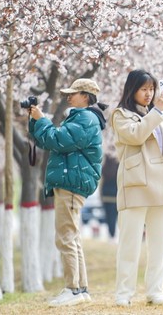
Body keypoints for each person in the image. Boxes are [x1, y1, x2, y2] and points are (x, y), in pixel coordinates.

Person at [28, 78, 106, 307]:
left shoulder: (85, 118)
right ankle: (80, 289)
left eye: (73, 93)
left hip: (72, 182)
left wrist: (41, 120)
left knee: (66, 237)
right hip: (72, 180)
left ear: (86, 96)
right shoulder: (83, 117)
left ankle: (73, 289)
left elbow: (59, 140)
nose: (68, 96)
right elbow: (49, 140)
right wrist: (36, 122)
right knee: (72, 236)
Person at [110, 69, 163, 306]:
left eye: (152, 89)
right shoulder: (120, 115)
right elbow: (136, 135)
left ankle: (155, 291)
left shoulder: (157, 114)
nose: (149, 93)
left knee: (159, 245)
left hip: (161, 186)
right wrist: (158, 111)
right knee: (129, 245)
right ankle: (124, 294)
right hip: (136, 185)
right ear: (132, 90)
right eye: (144, 89)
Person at [99, 152, 119, 239]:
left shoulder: (105, 165)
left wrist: (100, 195)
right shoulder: (118, 164)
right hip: (116, 195)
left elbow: (101, 181)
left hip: (106, 195)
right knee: (115, 217)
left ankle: (111, 235)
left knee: (109, 217)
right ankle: (115, 235)